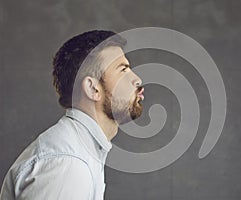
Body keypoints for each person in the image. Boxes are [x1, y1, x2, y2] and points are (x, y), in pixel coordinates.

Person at [0, 30, 144, 200]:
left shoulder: (80, 153)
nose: (137, 80)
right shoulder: (68, 165)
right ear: (93, 89)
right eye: (123, 70)